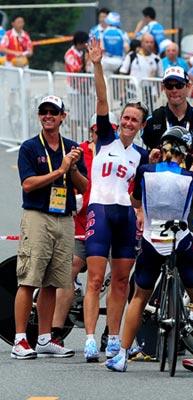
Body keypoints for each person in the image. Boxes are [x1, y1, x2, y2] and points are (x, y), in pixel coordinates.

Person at [105, 126, 193, 373]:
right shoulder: (190, 177)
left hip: (152, 240)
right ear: (185, 153)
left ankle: (122, 356)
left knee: (139, 296)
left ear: (162, 148)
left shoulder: (145, 171)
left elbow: (136, 202)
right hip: (179, 240)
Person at [83, 38, 149, 362]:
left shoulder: (141, 153)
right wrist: (97, 64)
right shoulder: (106, 137)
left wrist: (140, 212)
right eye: (125, 117)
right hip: (100, 208)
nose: (128, 122)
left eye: (134, 120)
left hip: (125, 215)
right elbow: (101, 98)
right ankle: (90, 339)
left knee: (121, 280)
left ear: (141, 126)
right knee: (95, 278)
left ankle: (113, 338)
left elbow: (141, 192)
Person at [11, 95, 88, 360]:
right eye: (43, 111)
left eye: (53, 112)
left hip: (64, 217)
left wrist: (73, 168)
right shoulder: (30, 147)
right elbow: (28, 184)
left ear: (63, 116)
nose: (48, 116)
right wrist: (60, 171)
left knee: (54, 281)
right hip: (37, 215)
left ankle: (44, 338)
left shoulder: (72, 147)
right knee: (29, 278)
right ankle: (20, 339)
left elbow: (84, 186)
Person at [51, 111, 119, 346]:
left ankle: (110, 332)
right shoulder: (78, 151)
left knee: (116, 276)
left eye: (106, 130)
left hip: (111, 222)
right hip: (82, 221)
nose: (100, 135)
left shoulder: (119, 152)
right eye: (96, 130)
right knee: (69, 269)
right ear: (91, 131)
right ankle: (56, 332)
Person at [142, 66, 193, 160]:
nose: (174, 90)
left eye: (179, 85)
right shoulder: (154, 119)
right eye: (169, 86)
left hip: (192, 173)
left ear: (188, 86)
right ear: (164, 88)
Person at [101, 12, 129, 77]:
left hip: (106, 61)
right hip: (119, 61)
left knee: (107, 83)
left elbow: (102, 48)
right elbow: (127, 48)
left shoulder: (103, 33)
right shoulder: (122, 33)